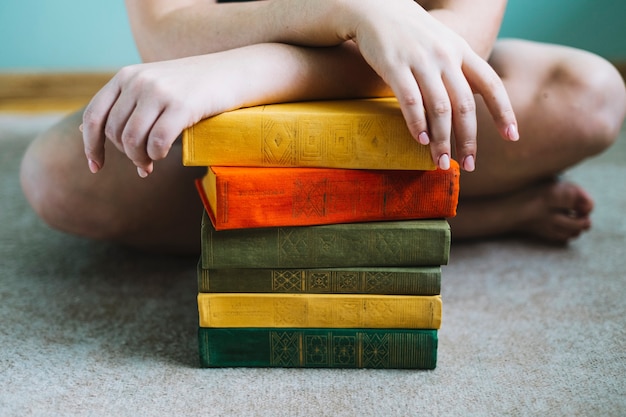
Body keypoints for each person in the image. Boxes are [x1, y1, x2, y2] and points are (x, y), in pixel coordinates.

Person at [20, 0, 626, 254]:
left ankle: (428, 212)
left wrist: (252, 70)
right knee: (61, 177)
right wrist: (349, 11)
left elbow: (461, 38)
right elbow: (166, 28)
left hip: (401, 97)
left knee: (590, 96)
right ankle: (454, 217)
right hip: (231, 113)